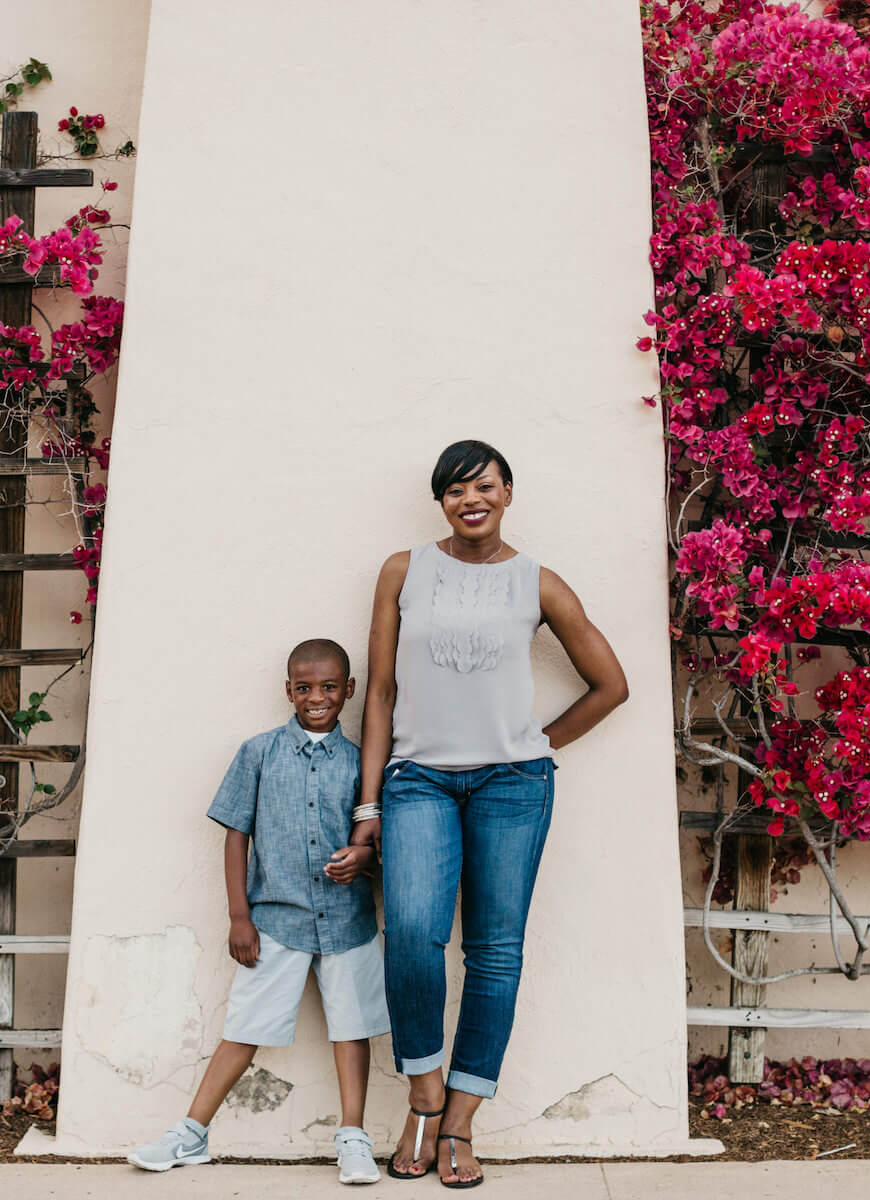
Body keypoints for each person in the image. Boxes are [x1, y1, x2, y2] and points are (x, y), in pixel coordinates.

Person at [351, 440, 628, 1188]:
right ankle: (423, 1094)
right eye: (454, 489)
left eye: (484, 485)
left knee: (495, 953)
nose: (469, 498)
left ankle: (460, 1128)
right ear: (440, 501)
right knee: (411, 934)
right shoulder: (403, 571)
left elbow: (611, 685)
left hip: (512, 785)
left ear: (508, 492)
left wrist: (539, 742)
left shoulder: (539, 583)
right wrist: (369, 803)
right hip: (419, 782)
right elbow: (379, 693)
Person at [128, 638, 389, 1184]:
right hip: (276, 919)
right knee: (244, 1026)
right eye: (304, 687)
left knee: (351, 1027)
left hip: (348, 921)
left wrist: (362, 859)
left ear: (350, 690)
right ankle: (192, 1132)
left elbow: (379, 840)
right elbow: (235, 836)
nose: (316, 697)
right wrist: (238, 916)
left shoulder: (364, 762)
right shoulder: (258, 753)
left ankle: (353, 1136)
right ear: (287, 690)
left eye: (329, 687)